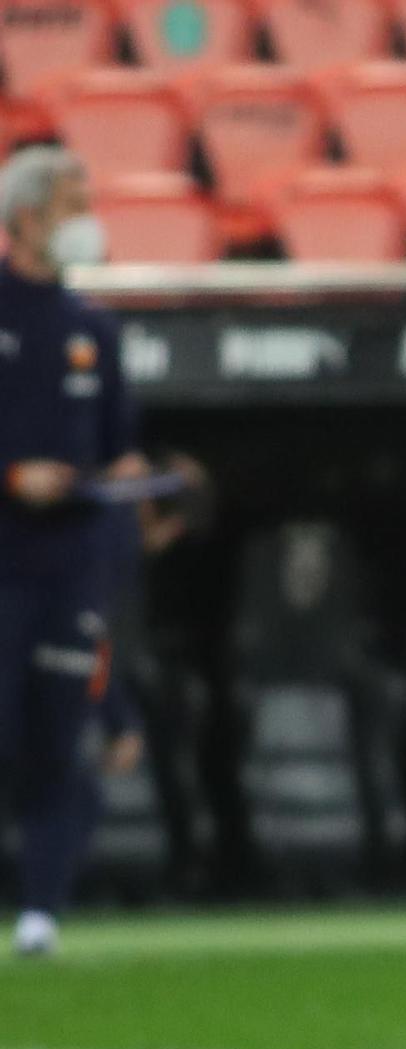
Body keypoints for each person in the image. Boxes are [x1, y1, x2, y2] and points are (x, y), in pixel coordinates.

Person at [0, 145, 150, 956]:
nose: (85, 219)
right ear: (25, 218)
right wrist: (12, 476)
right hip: (2, 564)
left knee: (58, 739)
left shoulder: (95, 327)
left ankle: (40, 916)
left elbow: (119, 446)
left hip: (70, 567)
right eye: (71, 202)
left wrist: (140, 485)